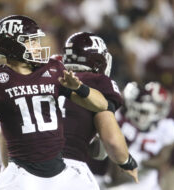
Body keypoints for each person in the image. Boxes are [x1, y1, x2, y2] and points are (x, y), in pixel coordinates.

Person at [0, 15, 110, 190]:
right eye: (31, 41)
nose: (38, 46)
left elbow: (101, 105)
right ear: (14, 46)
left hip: (60, 171)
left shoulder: (53, 70)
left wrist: (80, 88)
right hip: (22, 174)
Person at [56, 32, 138, 189]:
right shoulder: (99, 82)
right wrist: (127, 162)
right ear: (99, 60)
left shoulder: (46, 77)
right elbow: (112, 141)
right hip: (69, 168)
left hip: (29, 165)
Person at [108, 81, 174, 190]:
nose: (160, 111)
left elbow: (162, 161)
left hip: (150, 185)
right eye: (158, 107)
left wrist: (138, 162)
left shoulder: (167, 127)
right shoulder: (121, 121)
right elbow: (116, 172)